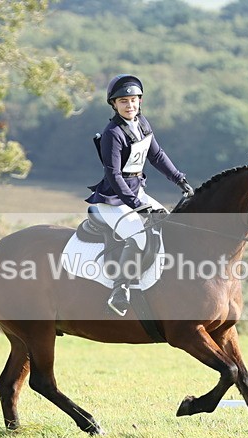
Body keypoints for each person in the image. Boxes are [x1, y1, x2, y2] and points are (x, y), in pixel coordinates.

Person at [86, 74, 195, 316]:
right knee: (139, 237)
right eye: (123, 101)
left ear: (140, 101)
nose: (129, 105)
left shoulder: (142, 123)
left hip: (136, 192)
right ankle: (120, 289)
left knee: (167, 223)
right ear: (114, 104)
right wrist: (137, 205)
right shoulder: (113, 133)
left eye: (133, 100)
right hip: (112, 200)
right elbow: (114, 176)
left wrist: (180, 180)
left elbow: (156, 156)